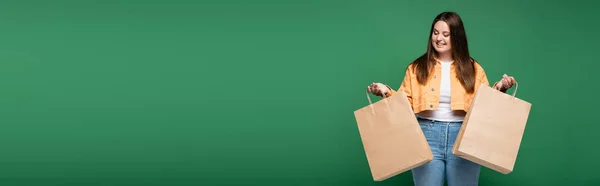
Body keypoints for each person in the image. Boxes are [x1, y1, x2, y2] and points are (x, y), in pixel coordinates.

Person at [367, 11, 516, 186]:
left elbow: (484, 105)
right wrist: (386, 91)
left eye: (446, 34)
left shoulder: (474, 68)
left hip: (465, 136)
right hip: (425, 135)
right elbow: (404, 105)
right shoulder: (416, 68)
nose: (439, 38)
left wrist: (501, 88)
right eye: (435, 33)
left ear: (456, 37)